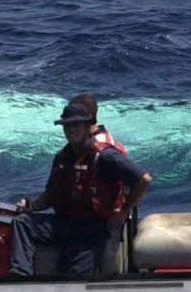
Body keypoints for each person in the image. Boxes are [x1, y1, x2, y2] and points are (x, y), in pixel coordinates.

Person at [9, 98, 151, 277]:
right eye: (67, 126)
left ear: (88, 127)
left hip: (92, 230)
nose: (71, 130)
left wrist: (123, 211)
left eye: (76, 125)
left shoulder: (106, 156)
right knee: (22, 223)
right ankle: (20, 276)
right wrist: (32, 206)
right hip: (64, 223)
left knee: (74, 276)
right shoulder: (63, 157)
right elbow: (51, 194)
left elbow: (144, 179)